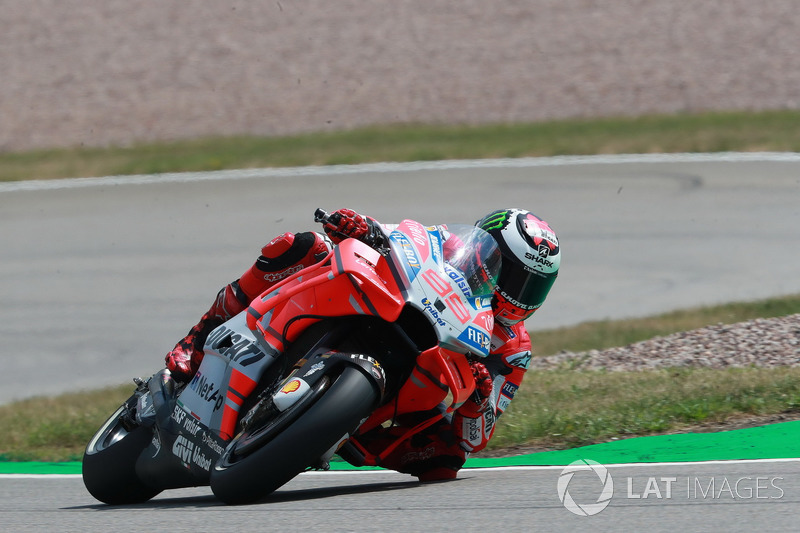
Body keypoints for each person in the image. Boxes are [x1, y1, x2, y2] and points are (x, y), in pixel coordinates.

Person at [165, 207, 560, 481]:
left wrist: (479, 397)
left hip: (411, 395)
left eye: (532, 286)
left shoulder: (513, 349)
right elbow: (401, 240)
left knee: (447, 460)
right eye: (513, 275)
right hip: (387, 309)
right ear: (484, 247)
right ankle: (199, 337)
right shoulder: (447, 246)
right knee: (301, 245)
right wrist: (361, 226)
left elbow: (476, 437)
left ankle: (336, 430)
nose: (518, 294)